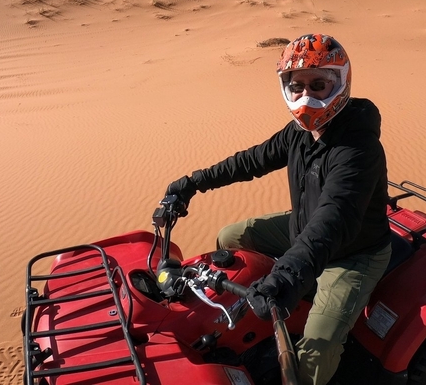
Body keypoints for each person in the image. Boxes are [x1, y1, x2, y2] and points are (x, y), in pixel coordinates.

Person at [164, 33, 391, 385]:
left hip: (352, 253)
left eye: (319, 85)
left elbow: (335, 218)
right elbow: (251, 160)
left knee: (315, 353)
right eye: (297, 86)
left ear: (340, 84)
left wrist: (286, 274)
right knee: (230, 237)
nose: (306, 97)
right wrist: (193, 183)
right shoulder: (299, 133)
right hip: (305, 229)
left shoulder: (357, 149)